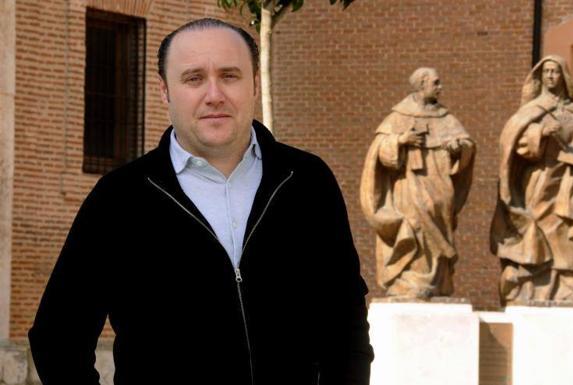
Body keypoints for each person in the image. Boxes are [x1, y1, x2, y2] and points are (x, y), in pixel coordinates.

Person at [28, 18, 373, 385]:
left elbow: (346, 322)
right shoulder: (119, 198)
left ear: (254, 83)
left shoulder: (306, 180)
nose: (214, 95)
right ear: (165, 91)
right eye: (193, 78)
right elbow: (57, 338)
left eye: (229, 75)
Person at [490, 55, 573, 305]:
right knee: (537, 229)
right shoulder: (532, 110)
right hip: (539, 180)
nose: (550, 76)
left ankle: (568, 289)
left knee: (570, 232)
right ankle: (530, 286)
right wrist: (539, 133)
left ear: (563, 77)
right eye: (546, 72)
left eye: (555, 72)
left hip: (569, 181)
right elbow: (515, 144)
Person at [360, 68, 475, 298]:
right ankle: (409, 280)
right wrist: (401, 140)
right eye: (436, 83)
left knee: (438, 221)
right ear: (422, 85)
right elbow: (380, 149)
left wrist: (458, 147)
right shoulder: (399, 116)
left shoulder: (446, 117)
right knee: (414, 223)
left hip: (440, 183)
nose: (440, 87)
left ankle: (438, 283)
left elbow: (467, 144)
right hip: (408, 184)